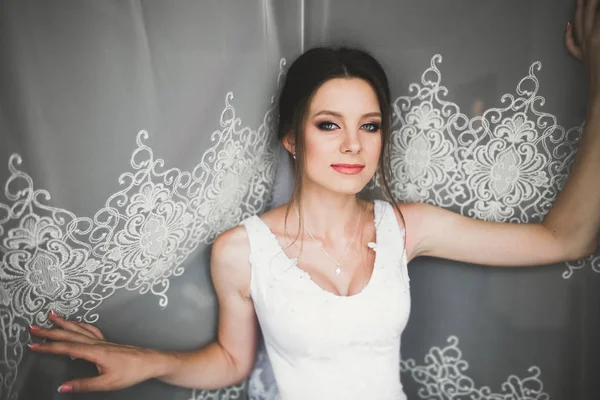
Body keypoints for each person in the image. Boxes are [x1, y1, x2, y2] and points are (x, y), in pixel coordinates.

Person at [28, 2, 600, 399]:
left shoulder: (408, 227)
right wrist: (143, 361)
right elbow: (231, 361)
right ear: (291, 138)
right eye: (329, 124)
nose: (354, 144)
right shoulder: (240, 251)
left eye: (370, 126)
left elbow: (566, 238)